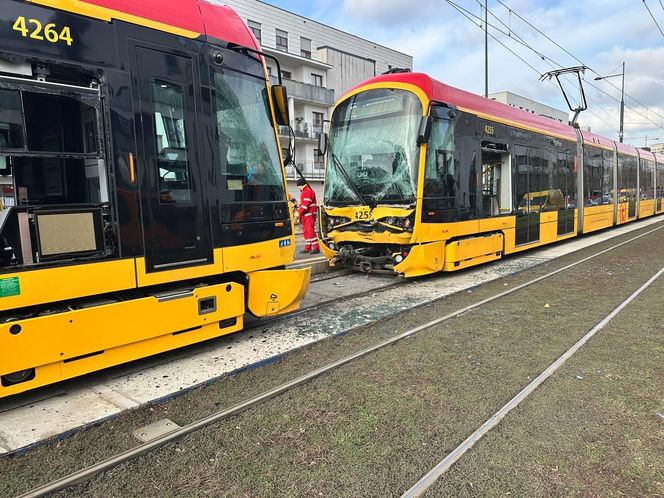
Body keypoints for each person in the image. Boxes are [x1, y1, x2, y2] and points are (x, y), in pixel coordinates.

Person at [295, 177, 319, 254]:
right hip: (306, 215)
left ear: (301, 185)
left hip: (309, 215)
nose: (298, 187)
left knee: (310, 231)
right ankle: (307, 247)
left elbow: (305, 206)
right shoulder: (305, 191)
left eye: (298, 186)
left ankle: (316, 247)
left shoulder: (307, 191)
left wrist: (298, 213)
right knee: (306, 232)